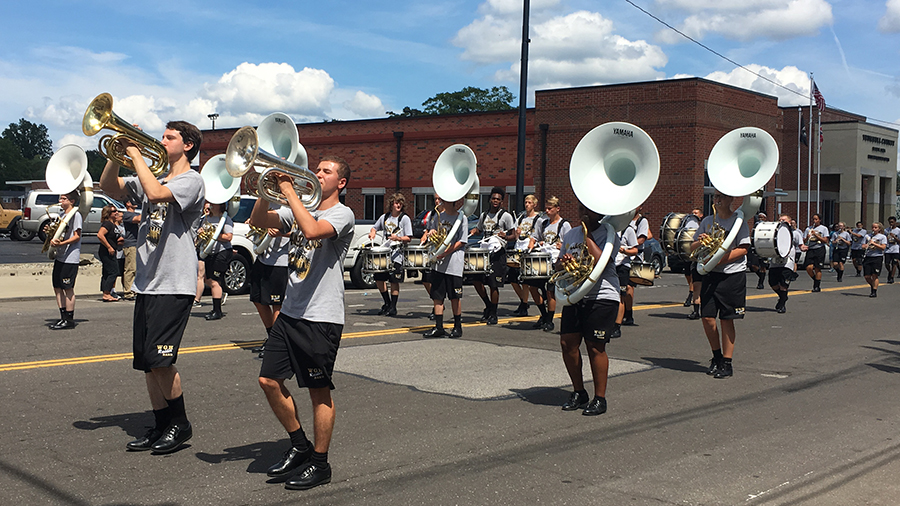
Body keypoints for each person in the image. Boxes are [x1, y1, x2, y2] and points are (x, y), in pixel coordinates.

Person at [99, 120, 204, 455]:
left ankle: (179, 423)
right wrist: (118, 150)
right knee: (147, 361)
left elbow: (158, 194)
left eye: (169, 137)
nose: (161, 141)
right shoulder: (152, 175)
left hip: (173, 281)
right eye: (161, 135)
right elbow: (108, 185)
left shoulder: (192, 180)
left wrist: (134, 151)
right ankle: (160, 423)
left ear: (187, 145)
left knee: (161, 359)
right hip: (147, 282)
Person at [251, 155, 353, 491]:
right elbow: (258, 219)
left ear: (341, 183)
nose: (317, 174)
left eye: (326, 172)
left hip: (320, 316)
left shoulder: (342, 214)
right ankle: (299, 445)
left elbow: (311, 229)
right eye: (318, 169)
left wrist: (288, 190)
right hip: (291, 312)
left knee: (317, 392)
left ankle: (320, 463)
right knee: (268, 380)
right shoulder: (297, 206)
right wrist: (269, 187)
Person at [556, 201, 621, 416]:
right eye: (581, 208)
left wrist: (587, 234)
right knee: (567, 343)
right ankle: (579, 391)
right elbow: (557, 265)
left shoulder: (609, 233)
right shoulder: (570, 234)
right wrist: (565, 262)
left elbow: (601, 260)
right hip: (576, 293)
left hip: (602, 294)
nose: (583, 212)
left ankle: (599, 398)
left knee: (595, 346)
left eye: (588, 209)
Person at [691, 191, 750, 379]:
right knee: (707, 317)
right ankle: (716, 357)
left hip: (732, 275)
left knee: (727, 318)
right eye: (715, 197)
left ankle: (727, 362)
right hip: (710, 273)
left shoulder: (738, 221)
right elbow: (692, 247)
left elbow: (743, 249)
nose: (717, 200)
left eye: (722, 197)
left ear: (731, 199)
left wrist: (720, 259)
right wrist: (700, 243)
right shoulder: (708, 221)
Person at [469, 187, 515, 324]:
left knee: (493, 284)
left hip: (498, 253)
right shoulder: (484, 215)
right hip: (484, 251)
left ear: (502, 202)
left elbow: (514, 236)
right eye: (494, 198)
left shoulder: (506, 216)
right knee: (476, 280)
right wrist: (475, 230)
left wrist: (505, 236)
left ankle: (494, 313)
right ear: (490, 199)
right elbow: (480, 229)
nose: (495, 201)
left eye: (498, 199)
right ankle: (488, 305)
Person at [423, 197, 467, 338]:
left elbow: (461, 241)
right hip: (440, 263)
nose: (441, 201)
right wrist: (432, 234)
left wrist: (446, 252)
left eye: (444, 199)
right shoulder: (438, 216)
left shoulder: (462, 218)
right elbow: (433, 232)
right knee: (438, 297)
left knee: (454, 297)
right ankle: (439, 327)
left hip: (454, 263)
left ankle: (457, 327)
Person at [248, 221, 291, 358]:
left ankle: (275, 344)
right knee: (258, 299)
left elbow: (301, 231)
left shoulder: (290, 208)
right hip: (262, 259)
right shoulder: (268, 205)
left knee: (276, 304)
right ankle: (272, 336)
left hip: (280, 262)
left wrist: (281, 232)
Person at [527, 197, 571, 332]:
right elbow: (535, 237)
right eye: (546, 208)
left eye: (549, 208)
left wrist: (563, 246)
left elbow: (571, 244)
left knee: (550, 291)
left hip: (554, 262)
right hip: (542, 260)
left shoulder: (564, 225)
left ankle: (549, 320)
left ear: (557, 209)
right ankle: (544, 315)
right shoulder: (544, 223)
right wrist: (533, 243)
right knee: (532, 287)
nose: (546, 211)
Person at [368, 193, 412, 316]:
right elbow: (374, 228)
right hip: (384, 254)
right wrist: (372, 233)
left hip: (397, 254)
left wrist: (397, 238)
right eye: (396, 202)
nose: (398, 205)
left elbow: (408, 237)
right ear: (391, 204)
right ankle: (386, 303)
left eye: (400, 203)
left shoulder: (404, 219)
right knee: (379, 279)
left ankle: (393, 306)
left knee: (394, 280)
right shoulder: (385, 217)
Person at [48, 190, 83, 330]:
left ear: (71, 201)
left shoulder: (76, 215)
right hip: (60, 256)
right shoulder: (62, 215)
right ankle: (62, 316)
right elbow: (58, 233)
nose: (60, 200)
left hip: (70, 257)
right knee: (57, 287)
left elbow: (77, 236)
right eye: (60, 198)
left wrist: (60, 244)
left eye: (64, 198)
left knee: (67, 288)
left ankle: (69, 319)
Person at [199, 201, 234, 321]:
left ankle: (217, 310)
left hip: (222, 252)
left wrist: (213, 235)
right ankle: (219, 294)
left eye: (214, 204)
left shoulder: (224, 219)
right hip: (209, 252)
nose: (211, 205)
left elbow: (228, 237)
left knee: (215, 280)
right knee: (207, 279)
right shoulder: (206, 219)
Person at [507, 195, 540, 316]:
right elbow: (516, 236)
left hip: (528, 251)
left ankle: (524, 305)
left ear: (534, 204)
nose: (527, 204)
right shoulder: (521, 218)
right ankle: (523, 301)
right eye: (526, 202)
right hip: (518, 249)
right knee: (512, 279)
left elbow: (539, 236)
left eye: (529, 202)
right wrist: (517, 234)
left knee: (525, 281)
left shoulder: (538, 220)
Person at [623, 206, 650, 326]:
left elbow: (642, 239)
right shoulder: (623, 221)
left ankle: (629, 314)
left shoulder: (642, 221)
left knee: (629, 286)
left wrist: (628, 246)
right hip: (622, 256)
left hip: (635, 256)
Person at [612, 222, 638, 338]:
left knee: (621, 295)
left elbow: (635, 250)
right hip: (610, 265)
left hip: (623, 266)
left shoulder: (628, 230)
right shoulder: (609, 229)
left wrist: (624, 251)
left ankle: (617, 326)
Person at [419, 193, 442, 320]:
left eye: (440, 199)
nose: (437, 201)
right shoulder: (433, 214)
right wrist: (425, 234)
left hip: (442, 251)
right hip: (432, 249)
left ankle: (437, 307)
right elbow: (428, 229)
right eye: (436, 199)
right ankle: (437, 304)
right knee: (426, 280)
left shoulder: (447, 215)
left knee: (436, 282)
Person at [768, 214, 798, 313]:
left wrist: (803, 247)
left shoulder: (796, 233)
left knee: (783, 284)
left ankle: (782, 304)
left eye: (784, 220)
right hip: (775, 262)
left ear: (789, 222)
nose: (781, 221)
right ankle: (783, 297)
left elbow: (801, 244)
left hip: (787, 263)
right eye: (780, 220)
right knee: (772, 283)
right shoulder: (773, 233)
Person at [97, 205, 121, 302]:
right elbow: (100, 235)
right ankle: (107, 293)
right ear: (108, 214)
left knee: (107, 272)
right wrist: (109, 247)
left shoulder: (113, 224)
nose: (116, 212)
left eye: (116, 211)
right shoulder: (107, 224)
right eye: (114, 211)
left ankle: (106, 293)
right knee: (113, 271)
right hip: (106, 251)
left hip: (112, 250)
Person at [801, 213, 830, 292]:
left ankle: (816, 286)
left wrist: (816, 235)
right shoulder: (808, 229)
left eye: (816, 219)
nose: (814, 221)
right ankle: (815, 279)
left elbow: (825, 240)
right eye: (813, 219)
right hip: (811, 249)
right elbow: (804, 240)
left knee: (818, 268)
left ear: (819, 220)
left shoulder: (824, 228)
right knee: (808, 267)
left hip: (819, 249)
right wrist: (807, 237)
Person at [683, 208, 703, 309]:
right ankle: (691, 292)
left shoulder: (702, 226)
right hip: (689, 254)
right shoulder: (688, 224)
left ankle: (691, 296)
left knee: (697, 282)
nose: (693, 214)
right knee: (687, 274)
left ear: (701, 215)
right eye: (692, 212)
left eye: (696, 213)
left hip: (699, 257)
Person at [121, 199, 141, 300]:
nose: (135, 202)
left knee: (137, 269)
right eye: (132, 201)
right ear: (127, 204)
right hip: (130, 245)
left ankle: (134, 289)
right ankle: (128, 292)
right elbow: (138, 219)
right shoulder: (127, 215)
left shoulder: (136, 213)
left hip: (137, 244)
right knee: (130, 268)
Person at [862, 222, 887, 297]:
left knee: (874, 275)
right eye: (873, 227)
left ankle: (874, 291)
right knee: (867, 276)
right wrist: (865, 246)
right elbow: (863, 246)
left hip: (877, 257)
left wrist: (874, 243)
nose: (874, 229)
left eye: (876, 227)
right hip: (868, 256)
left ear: (879, 229)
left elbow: (883, 247)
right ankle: (873, 286)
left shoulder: (882, 237)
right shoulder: (867, 236)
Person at [747, 213, 768, 289]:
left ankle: (761, 283)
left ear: (765, 218)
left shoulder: (767, 226)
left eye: (762, 217)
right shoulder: (755, 226)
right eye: (759, 217)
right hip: (755, 247)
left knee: (763, 266)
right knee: (753, 266)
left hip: (764, 247)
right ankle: (761, 276)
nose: (760, 219)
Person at [885, 217, 899, 284]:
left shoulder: (898, 230)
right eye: (890, 222)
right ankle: (890, 272)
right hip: (888, 249)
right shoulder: (886, 230)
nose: (891, 223)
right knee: (887, 263)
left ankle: (892, 277)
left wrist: (894, 237)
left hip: (895, 248)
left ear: (895, 222)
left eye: (892, 222)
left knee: (894, 263)